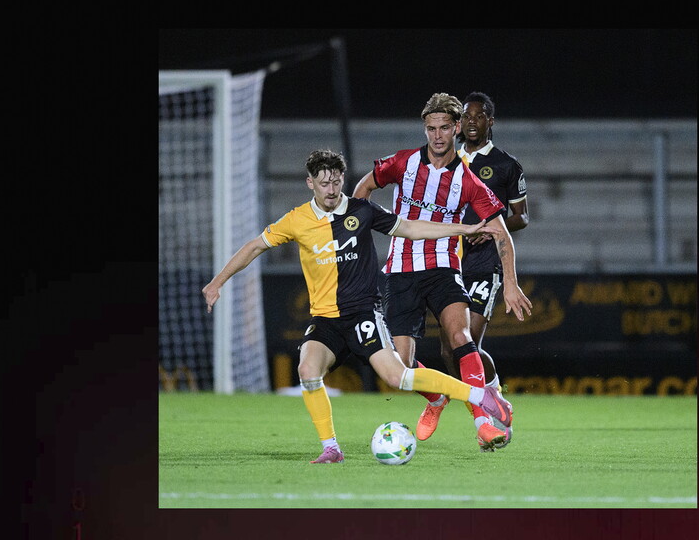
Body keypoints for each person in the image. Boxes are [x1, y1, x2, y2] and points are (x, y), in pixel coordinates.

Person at [202, 149, 513, 464]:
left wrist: (465, 229)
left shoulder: (362, 211)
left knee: (398, 377)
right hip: (325, 320)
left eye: (336, 182)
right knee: (307, 370)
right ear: (310, 183)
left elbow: (411, 228)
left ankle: (480, 395)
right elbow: (255, 245)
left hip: (363, 314)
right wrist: (217, 282)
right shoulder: (297, 220)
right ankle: (331, 448)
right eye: (324, 183)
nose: (332, 190)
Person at [352, 93, 532, 452]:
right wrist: (356, 234)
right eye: (431, 128)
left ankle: (483, 418)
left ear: (455, 129)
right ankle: (436, 396)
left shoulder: (468, 181)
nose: (437, 136)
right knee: (399, 369)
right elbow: (364, 189)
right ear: (425, 128)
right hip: (401, 270)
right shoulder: (403, 163)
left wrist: (510, 284)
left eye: (445, 128)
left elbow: (503, 233)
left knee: (460, 337)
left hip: (444, 268)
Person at [434, 92, 530, 450]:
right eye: (467, 116)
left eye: (480, 115)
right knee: (448, 351)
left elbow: (520, 216)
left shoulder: (506, 166)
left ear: (491, 121)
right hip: (445, 259)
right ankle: (493, 395)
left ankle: (488, 415)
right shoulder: (444, 159)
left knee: (467, 343)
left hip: (483, 262)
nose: (472, 122)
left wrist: (489, 228)